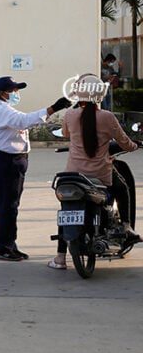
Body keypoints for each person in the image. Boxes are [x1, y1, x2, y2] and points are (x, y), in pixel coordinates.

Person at [49, 74, 139, 269]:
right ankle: (126, 226)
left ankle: (59, 257)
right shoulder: (107, 117)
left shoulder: (70, 115)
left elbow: (65, 134)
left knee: (67, 210)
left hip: (73, 174)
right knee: (122, 188)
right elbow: (124, 142)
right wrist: (134, 146)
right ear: (100, 96)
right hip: (100, 174)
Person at [0, 76, 71, 261]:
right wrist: (53, 108)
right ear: (3, 93)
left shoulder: (6, 109)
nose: (17, 93)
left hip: (12, 161)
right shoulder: (2, 110)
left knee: (10, 205)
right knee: (8, 206)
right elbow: (25, 121)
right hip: (7, 161)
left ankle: (9, 244)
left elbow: (26, 122)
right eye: (14, 90)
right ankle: (5, 247)